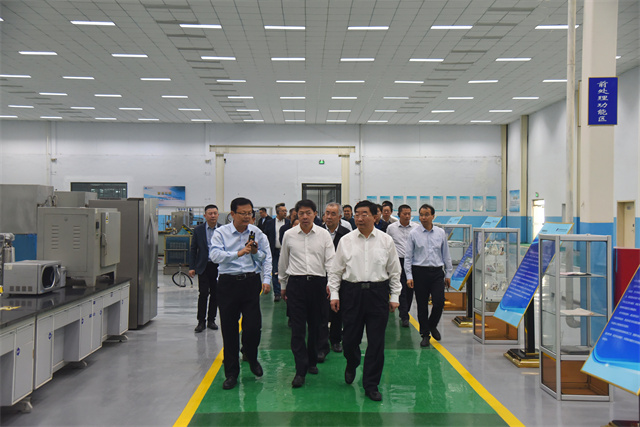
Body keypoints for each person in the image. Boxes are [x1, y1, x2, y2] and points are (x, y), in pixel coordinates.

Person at [328, 200, 402, 402]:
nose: (359, 218)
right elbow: (335, 271)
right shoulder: (346, 240)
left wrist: (395, 296)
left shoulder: (386, 240)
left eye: (364, 214)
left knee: (376, 342)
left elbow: (394, 271)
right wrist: (334, 294)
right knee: (350, 339)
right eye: (357, 214)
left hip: (378, 293)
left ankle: (371, 384)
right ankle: (352, 362)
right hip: (352, 293)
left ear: (375, 216)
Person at [210, 197, 272, 390]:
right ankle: (231, 373)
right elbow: (215, 256)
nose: (247, 216)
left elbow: (266, 256)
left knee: (253, 327)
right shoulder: (221, 233)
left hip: (250, 282)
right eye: (243, 213)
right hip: (228, 283)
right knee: (229, 330)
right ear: (232, 214)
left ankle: (251, 357)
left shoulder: (257, 232)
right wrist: (238, 253)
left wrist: (256, 256)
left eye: (249, 213)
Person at [279, 199, 335, 388]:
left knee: (316, 326)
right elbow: (283, 260)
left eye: (308, 213)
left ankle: (312, 360)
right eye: (301, 213)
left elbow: (331, 261)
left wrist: (331, 284)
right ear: (296, 214)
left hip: (318, 285)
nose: (304, 216)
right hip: (296, 284)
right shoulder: (289, 235)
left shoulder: (323, 235)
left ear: (315, 214)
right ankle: (300, 370)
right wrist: (283, 284)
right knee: (297, 329)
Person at [405, 204, 453, 347]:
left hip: (437, 272)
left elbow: (446, 254)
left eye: (426, 214)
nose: (423, 217)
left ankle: (432, 325)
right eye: (421, 215)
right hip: (419, 272)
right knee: (422, 305)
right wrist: (409, 276)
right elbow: (408, 257)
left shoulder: (440, 233)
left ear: (433, 216)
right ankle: (425, 334)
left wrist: (448, 273)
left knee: (439, 302)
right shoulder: (413, 234)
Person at [317, 202, 351, 361]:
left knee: (337, 310)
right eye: (327, 213)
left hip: (340, 277)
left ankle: (336, 340)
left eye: (333, 214)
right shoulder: (317, 232)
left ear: (340, 217)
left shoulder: (346, 235)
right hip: (320, 276)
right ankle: (322, 345)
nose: (329, 217)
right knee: (321, 312)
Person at [385, 204, 420, 328]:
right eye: (404, 214)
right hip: (398, 261)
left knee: (410, 289)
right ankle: (404, 315)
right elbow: (388, 245)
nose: (407, 216)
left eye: (409, 214)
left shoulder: (416, 228)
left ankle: (406, 311)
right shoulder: (391, 228)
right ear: (399, 214)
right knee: (401, 288)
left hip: (412, 262)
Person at [189, 204, 221, 333]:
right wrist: (192, 267)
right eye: (210, 213)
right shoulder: (198, 230)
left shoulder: (223, 230)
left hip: (218, 267)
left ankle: (211, 320)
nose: (213, 216)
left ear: (218, 215)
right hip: (203, 266)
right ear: (205, 216)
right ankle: (201, 321)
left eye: (215, 213)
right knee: (203, 294)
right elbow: (193, 249)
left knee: (215, 294)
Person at [265, 203, 290, 302]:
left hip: (287, 252)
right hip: (275, 251)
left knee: (287, 271)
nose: (285, 213)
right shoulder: (270, 223)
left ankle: (287, 291)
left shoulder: (288, 223)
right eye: (283, 211)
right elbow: (266, 236)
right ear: (277, 212)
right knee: (275, 271)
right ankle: (277, 293)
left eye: (286, 211)